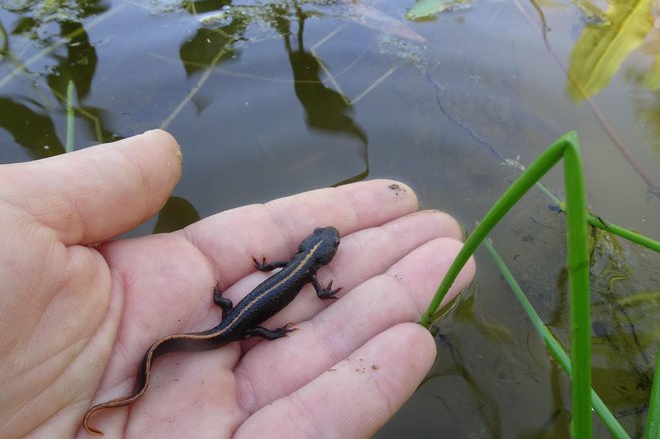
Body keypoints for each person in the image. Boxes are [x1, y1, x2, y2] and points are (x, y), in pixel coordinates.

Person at [0, 130, 475, 438]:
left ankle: (234, 329)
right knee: (247, 327)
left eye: (324, 244)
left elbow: (273, 273)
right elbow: (306, 289)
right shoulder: (308, 274)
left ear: (313, 249)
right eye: (324, 243)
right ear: (321, 254)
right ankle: (178, 363)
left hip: (231, 316)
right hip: (237, 325)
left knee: (238, 320)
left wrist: (240, 291)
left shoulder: (295, 264)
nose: (324, 244)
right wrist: (278, 325)